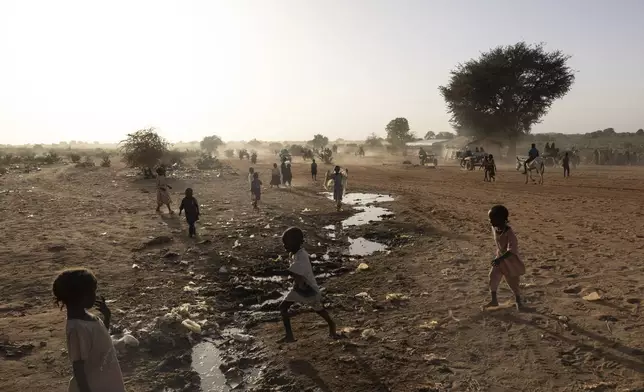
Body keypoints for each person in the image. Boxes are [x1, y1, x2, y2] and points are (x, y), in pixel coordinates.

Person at [53, 268, 126, 392]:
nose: (95, 295)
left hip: (107, 382)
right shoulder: (77, 329)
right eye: (92, 291)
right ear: (79, 296)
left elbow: (99, 340)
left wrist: (107, 317)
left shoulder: (89, 318)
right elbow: (78, 368)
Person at [278, 227, 339, 342]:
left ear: (297, 243)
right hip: (299, 288)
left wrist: (277, 272)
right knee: (283, 307)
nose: (285, 246)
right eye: (284, 243)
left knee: (319, 309)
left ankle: (332, 326)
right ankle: (289, 336)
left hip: (308, 289)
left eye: (287, 243)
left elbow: (293, 272)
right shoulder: (294, 254)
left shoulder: (302, 256)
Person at [486, 205, 525, 311]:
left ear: (501, 219)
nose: (490, 221)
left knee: (513, 282)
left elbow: (511, 251)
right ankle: (494, 300)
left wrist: (499, 259)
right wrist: (498, 258)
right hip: (500, 257)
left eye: (492, 219)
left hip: (510, 261)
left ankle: (518, 300)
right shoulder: (496, 228)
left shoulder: (510, 234)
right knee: (493, 276)